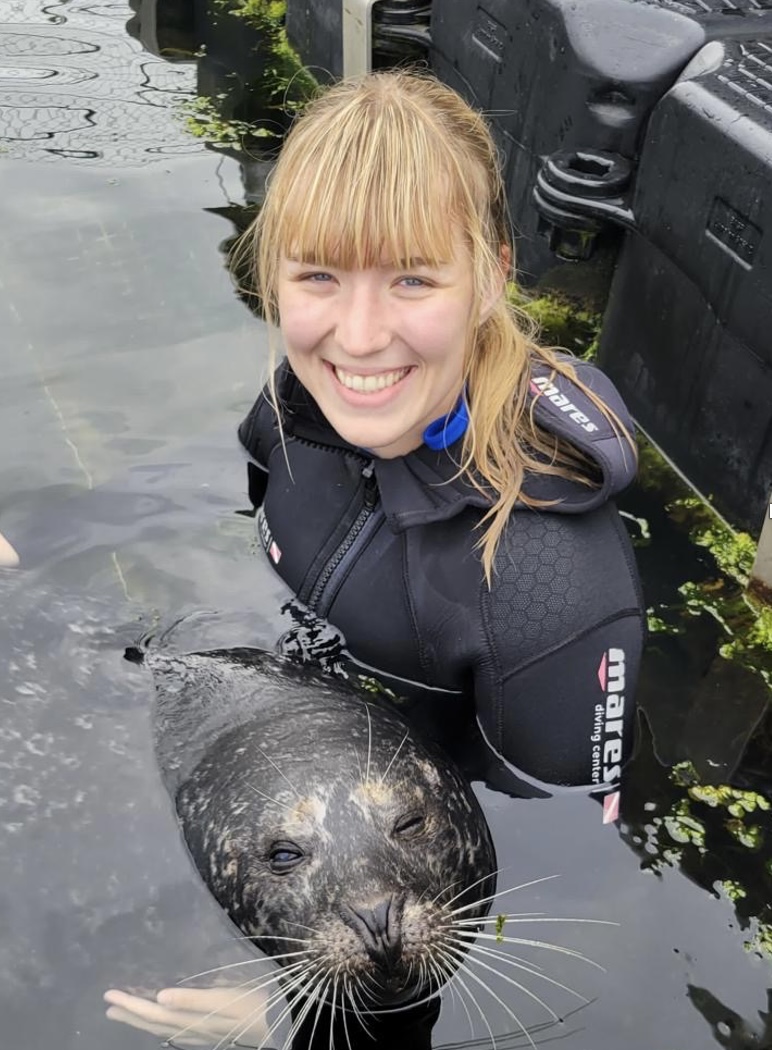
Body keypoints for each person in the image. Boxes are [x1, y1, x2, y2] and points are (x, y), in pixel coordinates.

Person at [235, 68, 645, 798]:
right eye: (319, 277)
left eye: (413, 280)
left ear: (490, 278)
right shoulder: (295, 401)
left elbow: (571, 856)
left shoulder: (548, 589)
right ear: (274, 276)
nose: (357, 340)